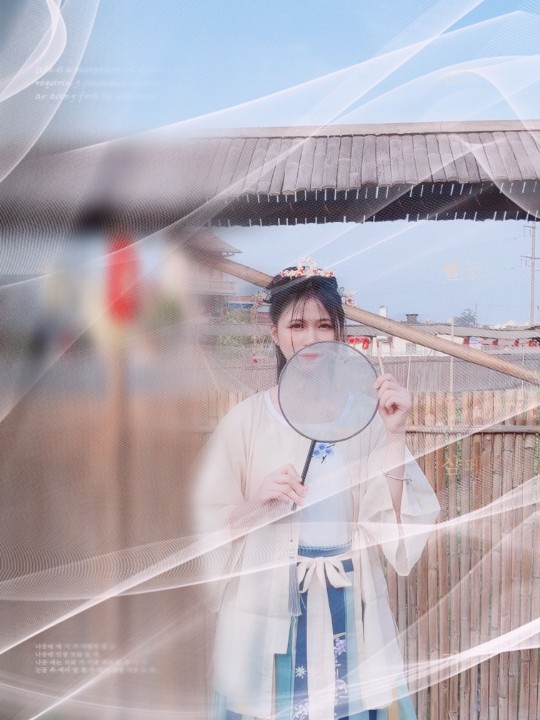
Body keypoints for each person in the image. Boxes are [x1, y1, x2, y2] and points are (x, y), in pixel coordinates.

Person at [195, 259, 440, 720]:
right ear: (274, 332)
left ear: (340, 333)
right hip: (269, 610)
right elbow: (204, 525)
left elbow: (396, 530)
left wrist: (394, 437)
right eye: (297, 325)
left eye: (324, 325)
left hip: (349, 604)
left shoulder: (369, 419)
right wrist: (255, 502)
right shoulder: (245, 421)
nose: (310, 338)